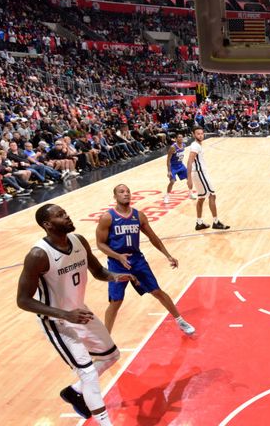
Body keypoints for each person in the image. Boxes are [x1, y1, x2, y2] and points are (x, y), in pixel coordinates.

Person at [16, 204, 137, 425]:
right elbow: (22, 300)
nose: (67, 216)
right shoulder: (38, 255)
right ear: (48, 225)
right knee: (88, 373)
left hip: (80, 312)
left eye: (66, 212)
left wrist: (117, 276)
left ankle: (74, 392)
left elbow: (99, 271)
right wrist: (65, 314)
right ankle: (105, 422)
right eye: (60, 216)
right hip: (56, 321)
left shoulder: (79, 240)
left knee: (111, 355)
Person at [96, 184, 195, 335]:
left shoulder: (139, 215)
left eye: (128, 191)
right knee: (116, 302)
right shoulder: (107, 217)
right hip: (117, 264)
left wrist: (168, 255)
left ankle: (180, 320)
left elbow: (152, 237)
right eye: (121, 192)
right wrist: (118, 256)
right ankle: (105, 337)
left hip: (137, 260)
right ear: (115, 196)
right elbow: (100, 244)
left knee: (157, 291)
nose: (126, 194)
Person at [185, 127, 230, 231]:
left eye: (201, 133)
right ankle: (215, 222)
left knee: (201, 198)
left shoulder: (197, 145)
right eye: (198, 134)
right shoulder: (195, 146)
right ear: (193, 135)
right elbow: (189, 161)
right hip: (200, 174)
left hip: (198, 174)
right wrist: (189, 179)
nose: (200, 135)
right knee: (212, 195)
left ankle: (199, 223)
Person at [164, 133, 196, 204]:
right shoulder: (173, 147)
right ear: (176, 139)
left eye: (182, 137)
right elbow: (168, 160)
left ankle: (190, 193)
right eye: (179, 137)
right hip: (173, 167)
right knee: (172, 181)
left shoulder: (184, 145)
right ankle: (167, 196)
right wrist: (169, 171)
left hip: (181, 165)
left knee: (189, 178)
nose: (181, 138)